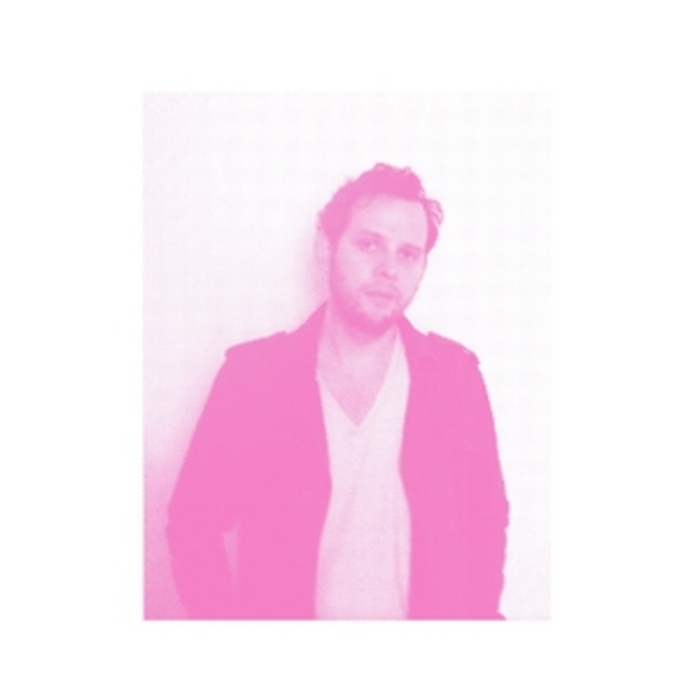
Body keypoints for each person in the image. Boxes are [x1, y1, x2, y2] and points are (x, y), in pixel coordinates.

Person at [167, 163, 509, 620]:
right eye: (369, 244)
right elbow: (192, 523)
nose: (389, 269)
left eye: (408, 254)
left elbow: (487, 522)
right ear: (326, 249)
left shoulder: (455, 381)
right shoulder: (253, 380)